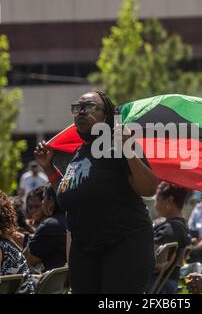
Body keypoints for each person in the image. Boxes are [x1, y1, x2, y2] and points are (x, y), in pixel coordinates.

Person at [34, 91, 158, 293]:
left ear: (106, 117)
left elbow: (149, 188)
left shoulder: (118, 145)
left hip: (124, 243)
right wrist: (49, 169)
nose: (81, 112)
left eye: (90, 107)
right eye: (77, 108)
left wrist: (127, 147)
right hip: (84, 247)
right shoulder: (79, 152)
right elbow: (70, 195)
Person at [149, 182, 192, 294]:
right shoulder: (181, 226)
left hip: (156, 285)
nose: (155, 203)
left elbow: (154, 264)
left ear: (169, 200)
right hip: (168, 283)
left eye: (157, 199)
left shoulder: (170, 230)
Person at [23, 184, 67, 273]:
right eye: (30, 207)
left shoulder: (50, 225)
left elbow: (27, 260)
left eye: (44, 198)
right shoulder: (69, 220)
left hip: (51, 285)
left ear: (51, 201)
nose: (43, 203)